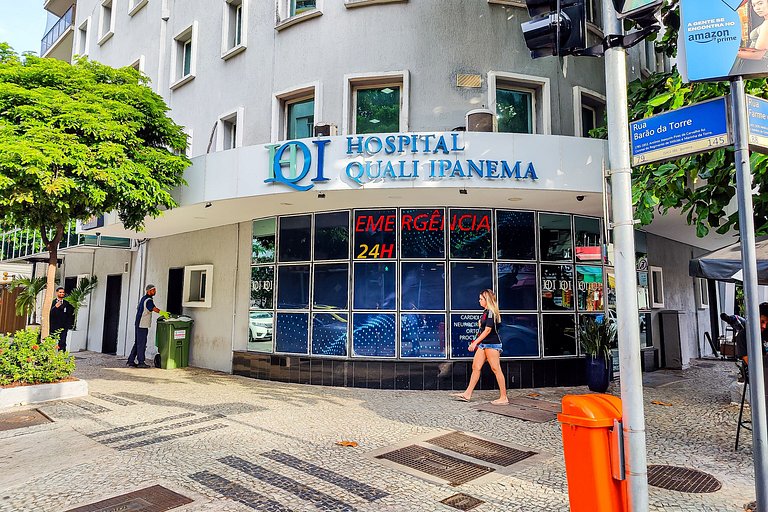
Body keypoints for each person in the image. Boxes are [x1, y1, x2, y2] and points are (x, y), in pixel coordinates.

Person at [452, 289, 509, 405]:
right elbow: (482, 330)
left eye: (481, 299)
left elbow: (488, 330)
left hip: (492, 344)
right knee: (476, 367)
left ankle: (504, 397)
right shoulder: (486, 312)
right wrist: (477, 340)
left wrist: (474, 343)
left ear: (487, 300)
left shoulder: (491, 312)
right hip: (483, 344)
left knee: (496, 369)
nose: (479, 301)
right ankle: (467, 394)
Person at [127, 284, 162, 368]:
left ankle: (131, 361)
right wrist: (163, 313)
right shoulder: (148, 300)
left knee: (137, 342)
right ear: (148, 291)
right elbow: (153, 308)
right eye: (153, 290)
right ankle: (141, 362)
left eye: (155, 290)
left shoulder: (143, 298)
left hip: (138, 323)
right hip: (142, 324)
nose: (155, 291)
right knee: (142, 343)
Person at [49, 287, 75, 351]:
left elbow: (70, 314)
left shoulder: (66, 303)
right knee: (51, 341)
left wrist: (69, 325)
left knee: (62, 342)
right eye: (60, 292)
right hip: (54, 326)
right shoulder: (52, 302)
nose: (62, 293)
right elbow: (49, 313)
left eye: (63, 292)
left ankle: (62, 354)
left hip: (63, 326)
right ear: (57, 293)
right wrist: (55, 307)